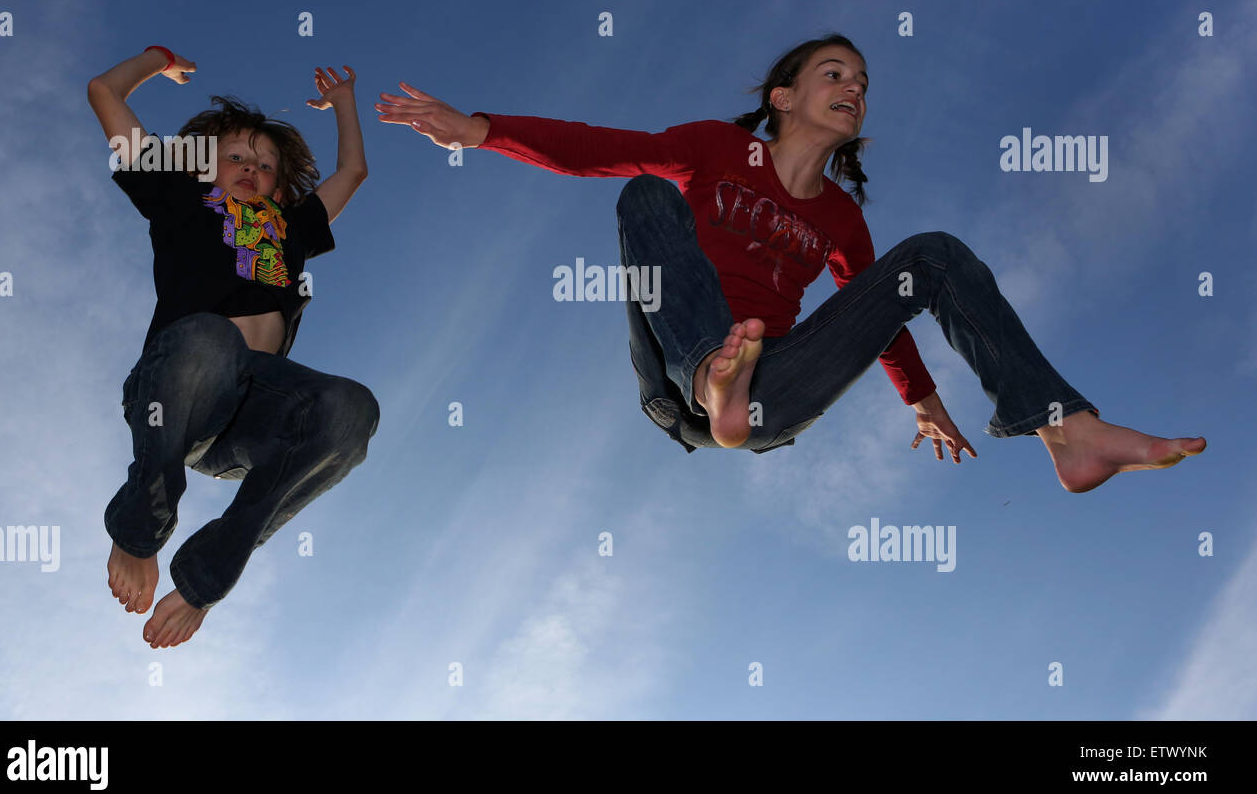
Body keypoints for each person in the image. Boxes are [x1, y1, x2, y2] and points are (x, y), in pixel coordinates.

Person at [372, 34, 1204, 493]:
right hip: (689, 374)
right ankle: (714, 378)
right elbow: (602, 149)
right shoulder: (713, 148)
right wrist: (478, 129)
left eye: (865, 83)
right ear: (783, 97)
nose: (855, 88)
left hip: (779, 389)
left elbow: (881, 315)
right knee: (644, 198)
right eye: (834, 74)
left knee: (934, 256)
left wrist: (922, 401)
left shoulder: (840, 217)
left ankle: (1068, 429)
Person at [89, 46, 380, 648]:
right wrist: (154, 60)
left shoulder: (289, 229)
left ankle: (204, 580)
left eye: (267, 165)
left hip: (257, 415)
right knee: (210, 337)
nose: (252, 167)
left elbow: (352, 172)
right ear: (203, 166)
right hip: (181, 392)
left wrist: (344, 102)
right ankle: (141, 526)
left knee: (352, 407)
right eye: (236, 157)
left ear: (279, 186)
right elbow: (104, 94)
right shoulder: (179, 199)